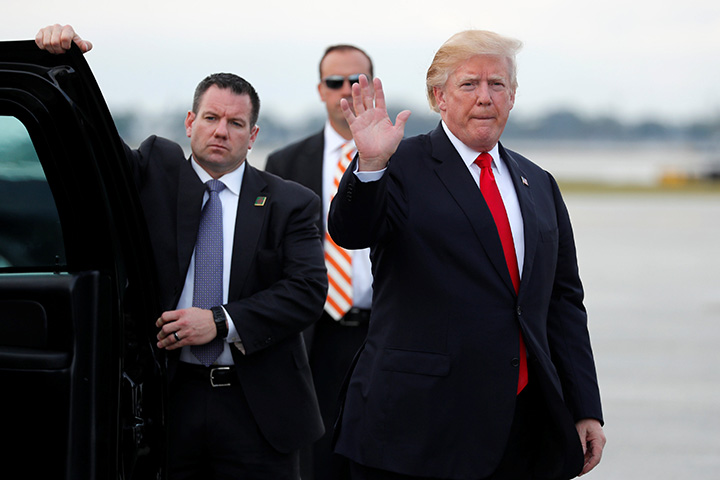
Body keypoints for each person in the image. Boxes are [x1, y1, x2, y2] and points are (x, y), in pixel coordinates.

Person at [36, 24, 327, 480]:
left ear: (252, 137)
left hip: (258, 411)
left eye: (235, 123)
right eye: (211, 118)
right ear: (190, 123)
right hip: (167, 402)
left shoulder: (291, 201)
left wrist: (217, 321)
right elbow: (91, 146)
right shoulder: (154, 170)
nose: (221, 131)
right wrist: (63, 63)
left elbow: (308, 291)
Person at [327, 29, 606, 480]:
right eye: (469, 84)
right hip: (416, 430)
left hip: (520, 427)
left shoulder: (539, 184)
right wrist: (371, 165)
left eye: (497, 85)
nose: (484, 97)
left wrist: (584, 407)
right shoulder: (400, 164)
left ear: (512, 97)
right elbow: (350, 231)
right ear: (439, 96)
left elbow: (562, 302)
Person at [265, 44, 374, 480]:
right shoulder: (285, 164)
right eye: (335, 82)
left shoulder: (404, 160)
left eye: (355, 81)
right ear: (320, 90)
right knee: (315, 463)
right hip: (312, 336)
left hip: (382, 330)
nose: (345, 90)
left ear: (370, 86)